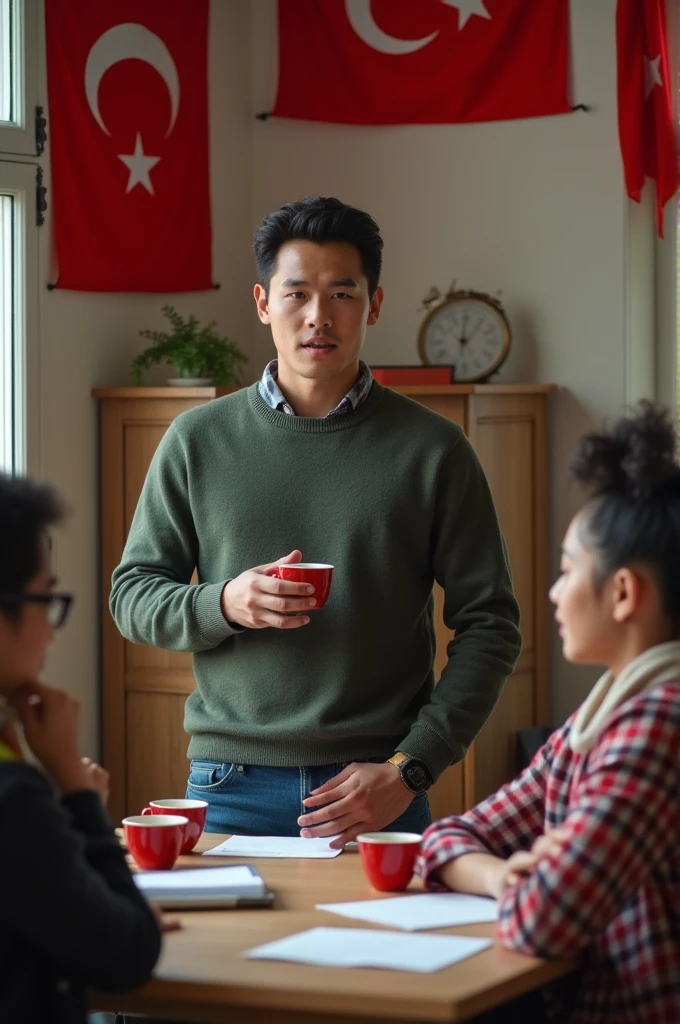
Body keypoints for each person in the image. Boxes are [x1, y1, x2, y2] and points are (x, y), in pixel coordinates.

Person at [110, 195, 521, 844]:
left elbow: (491, 625)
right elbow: (132, 596)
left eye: (342, 294)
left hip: (377, 789)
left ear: (374, 305)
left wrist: (413, 767)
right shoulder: (196, 440)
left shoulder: (435, 450)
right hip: (228, 785)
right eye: (297, 293)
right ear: (263, 302)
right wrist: (226, 602)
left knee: (384, 951)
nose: (318, 317)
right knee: (213, 952)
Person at [418, 402, 680, 1024]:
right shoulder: (600, 717)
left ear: (623, 593)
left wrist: (537, 882)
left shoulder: (658, 723)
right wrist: (509, 873)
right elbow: (445, 839)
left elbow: (544, 921)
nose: (555, 593)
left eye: (567, 571)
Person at [0, 472, 163, 1024]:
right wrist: (74, 791)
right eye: (46, 600)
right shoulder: (13, 797)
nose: (51, 630)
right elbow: (128, 953)